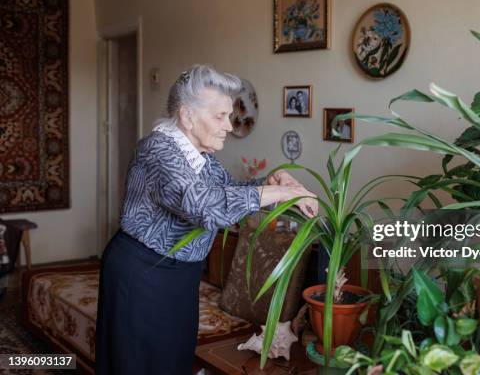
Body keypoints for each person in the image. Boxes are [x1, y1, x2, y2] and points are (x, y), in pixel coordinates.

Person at [95, 64, 318, 375]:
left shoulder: (202, 158)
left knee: (172, 361)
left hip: (179, 276)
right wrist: (277, 194)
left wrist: (273, 182)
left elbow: (227, 191)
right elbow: (206, 207)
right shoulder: (157, 150)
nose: (229, 125)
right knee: (137, 366)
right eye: (220, 116)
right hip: (142, 274)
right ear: (187, 116)